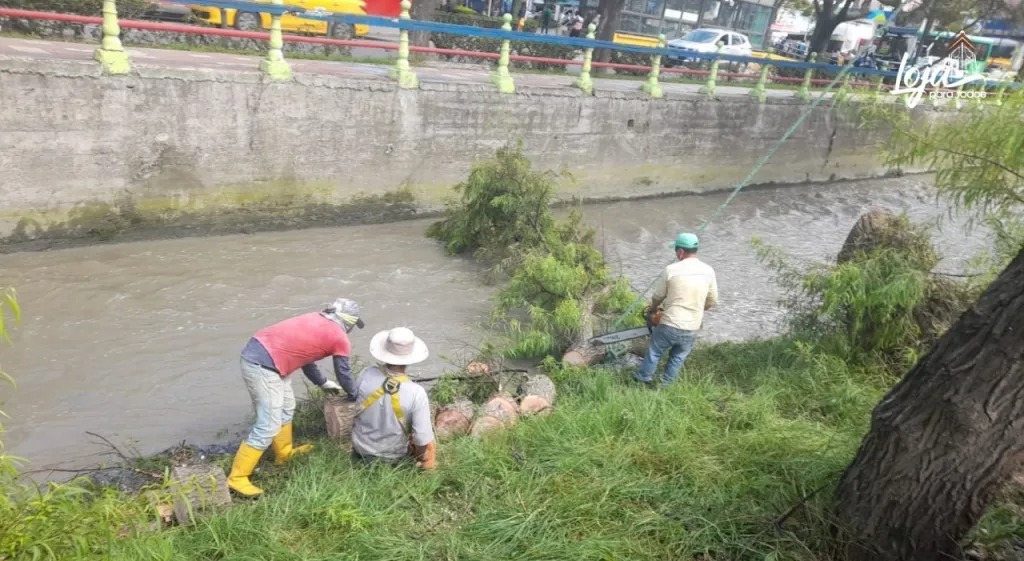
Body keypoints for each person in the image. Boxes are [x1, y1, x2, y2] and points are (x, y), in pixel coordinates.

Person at [227, 298, 365, 498]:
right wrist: (354, 395)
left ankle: (284, 453)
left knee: (286, 408)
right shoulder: (339, 336)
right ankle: (237, 477)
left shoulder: (315, 319)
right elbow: (343, 373)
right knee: (268, 425)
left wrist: (323, 382)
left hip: (268, 356)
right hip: (262, 364)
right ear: (348, 322)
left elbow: (306, 357)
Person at [636, 233, 718, 386]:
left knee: (654, 352)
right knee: (678, 356)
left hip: (670, 323)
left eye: (676, 251)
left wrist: (653, 309)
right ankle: (666, 385)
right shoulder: (709, 271)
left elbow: (658, 296)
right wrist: (698, 308)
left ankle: (642, 379)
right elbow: (712, 300)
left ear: (680, 252)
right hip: (692, 325)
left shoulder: (671, 269)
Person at [351, 327, 436, 470]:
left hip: (360, 450)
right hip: (393, 459)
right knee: (430, 445)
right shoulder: (417, 393)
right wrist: (421, 457)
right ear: (410, 357)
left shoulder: (365, 374)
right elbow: (421, 438)